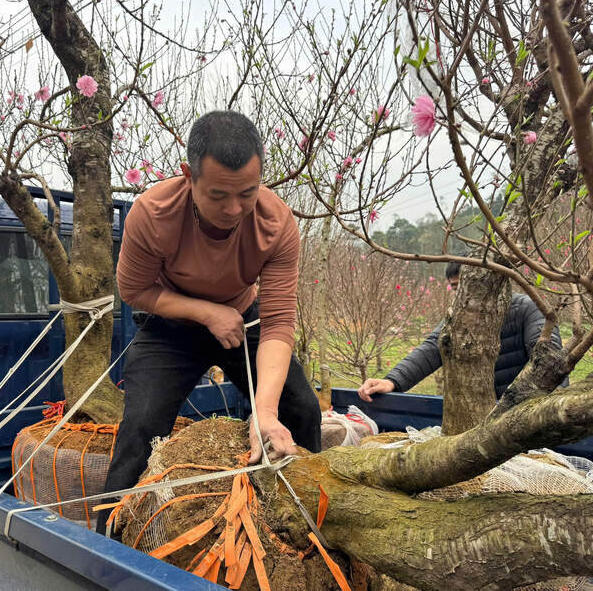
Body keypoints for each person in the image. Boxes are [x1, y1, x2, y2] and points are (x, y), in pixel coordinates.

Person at [96, 110, 321, 534]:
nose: (234, 209)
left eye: (247, 194)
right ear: (188, 176)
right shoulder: (152, 214)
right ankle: (105, 542)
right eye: (218, 195)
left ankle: (306, 524)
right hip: (171, 326)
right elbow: (135, 291)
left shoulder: (276, 224)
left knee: (302, 409)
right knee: (141, 426)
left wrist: (265, 411)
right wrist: (207, 311)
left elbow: (276, 323)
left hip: (245, 324)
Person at [357, 262, 567, 402]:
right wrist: (392, 381)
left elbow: (549, 360)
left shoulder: (528, 309)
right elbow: (432, 348)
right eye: (457, 288)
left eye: (471, 285)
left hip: (527, 413)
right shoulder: (458, 317)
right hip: (482, 417)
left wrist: (546, 408)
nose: (466, 295)